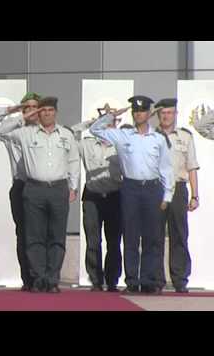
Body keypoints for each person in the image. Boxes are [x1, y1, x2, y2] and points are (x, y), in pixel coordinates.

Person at [90, 96, 174, 295]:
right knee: (130, 236)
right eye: (135, 111)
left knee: (152, 237)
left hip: (153, 189)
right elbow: (95, 129)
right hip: (130, 189)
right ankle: (132, 281)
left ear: (148, 114)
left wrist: (167, 196)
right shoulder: (123, 135)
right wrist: (112, 115)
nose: (138, 114)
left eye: (142, 111)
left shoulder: (159, 139)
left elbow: (166, 169)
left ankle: (148, 280)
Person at [0, 96, 80, 293]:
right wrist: (21, 115)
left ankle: (52, 279)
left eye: (50, 110)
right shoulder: (25, 133)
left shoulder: (66, 135)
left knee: (57, 236)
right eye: (43, 110)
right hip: (34, 189)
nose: (47, 114)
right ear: (37, 113)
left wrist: (73, 187)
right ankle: (39, 278)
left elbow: (74, 160)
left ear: (56, 112)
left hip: (59, 188)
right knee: (34, 237)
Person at [0, 92, 42, 291]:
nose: (32, 111)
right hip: (21, 186)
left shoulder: (47, 131)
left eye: (35, 107)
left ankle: (43, 276)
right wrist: (14, 111)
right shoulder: (13, 131)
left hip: (42, 186)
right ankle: (28, 278)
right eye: (27, 107)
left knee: (42, 233)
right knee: (23, 233)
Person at [71, 105, 123, 292]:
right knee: (93, 241)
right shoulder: (86, 143)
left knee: (114, 241)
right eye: (104, 119)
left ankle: (112, 280)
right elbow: (70, 133)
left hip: (115, 195)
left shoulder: (121, 143)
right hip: (92, 196)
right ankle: (95, 279)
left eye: (112, 120)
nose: (108, 123)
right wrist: (91, 123)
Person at [156, 98, 199, 293]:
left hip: (179, 189)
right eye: (163, 113)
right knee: (154, 235)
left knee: (179, 235)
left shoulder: (185, 136)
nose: (166, 116)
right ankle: (155, 279)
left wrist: (195, 195)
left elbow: (191, 167)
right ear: (158, 115)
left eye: (170, 113)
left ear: (176, 115)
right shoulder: (150, 136)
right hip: (156, 189)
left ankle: (180, 279)